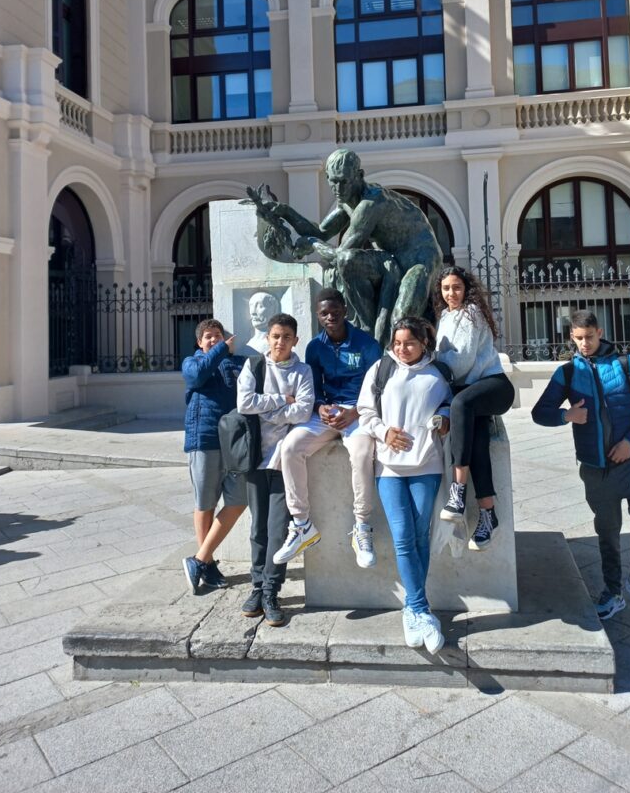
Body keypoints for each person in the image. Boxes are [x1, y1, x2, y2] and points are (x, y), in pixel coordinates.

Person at [531, 309, 630, 621]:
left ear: (600, 332)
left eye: (589, 337)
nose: (584, 343)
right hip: (595, 467)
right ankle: (613, 592)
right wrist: (566, 415)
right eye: (578, 338)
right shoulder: (566, 373)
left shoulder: (626, 364)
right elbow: (540, 412)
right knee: (607, 531)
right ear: (571, 337)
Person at [254, 148, 442, 345]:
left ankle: (375, 339)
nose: (338, 188)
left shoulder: (372, 202)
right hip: (392, 260)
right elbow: (321, 232)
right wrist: (286, 212)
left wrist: (312, 244)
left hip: (419, 261)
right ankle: (367, 332)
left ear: (359, 176)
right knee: (351, 266)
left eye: (344, 181)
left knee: (400, 320)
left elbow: (341, 254)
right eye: (333, 181)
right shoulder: (347, 201)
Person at [357, 316, 452, 653]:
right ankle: (421, 609)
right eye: (397, 343)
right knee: (402, 537)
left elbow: (450, 404)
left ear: (424, 343)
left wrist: (445, 417)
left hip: (428, 464)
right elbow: (365, 411)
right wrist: (384, 432)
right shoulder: (381, 369)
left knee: (420, 535)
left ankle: (412, 609)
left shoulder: (439, 373)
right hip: (389, 467)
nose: (402, 349)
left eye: (409, 343)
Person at [273, 289, 381, 568]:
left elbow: (378, 388)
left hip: (358, 412)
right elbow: (314, 388)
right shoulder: (314, 347)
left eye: (335, 311)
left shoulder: (367, 344)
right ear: (317, 316)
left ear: (345, 311)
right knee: (290, 447)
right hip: (326, 413)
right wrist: (320, 406)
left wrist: (355, 411)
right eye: (324, 313)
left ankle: (362, 526)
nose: (330, 317)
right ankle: (301, 524)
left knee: (362, 454)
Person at [237, 312, 315, 626]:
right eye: (275, 336)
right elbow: (244, 403)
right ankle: (256, 587)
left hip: (284, 462)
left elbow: (304, 411)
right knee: (258, 528)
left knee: (278, 528)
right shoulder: (254, 366)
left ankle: (271, 590)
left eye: (286, 337)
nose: (280, 342)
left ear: (295, 340)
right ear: (267, 338)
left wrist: (267, 410)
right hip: (255, 457)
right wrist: (282, 400)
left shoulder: (303, 371)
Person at [433, 266, 515, 550]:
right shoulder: (445, 317)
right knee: (477, 440)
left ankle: (458, 491)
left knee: (461, 403)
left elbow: (461, 363)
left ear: (466, 288)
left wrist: (432, 362)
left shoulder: (471, 313)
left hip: (494, 385)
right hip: (470, 393)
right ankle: (488, 515)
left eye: (456, 287)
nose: (451, 293)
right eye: (446, 288)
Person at [181, 319, 246, 592]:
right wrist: (221, 349)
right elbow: (197, 376)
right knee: (205, 503)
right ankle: (207, 564)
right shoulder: (191, 362)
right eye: (208, 336)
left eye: (217, 335)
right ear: (199, 342)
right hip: (204, 439)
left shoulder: (237, 363)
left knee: (239, 499)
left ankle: (200, 559)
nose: (213, 340)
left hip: (232, 441)